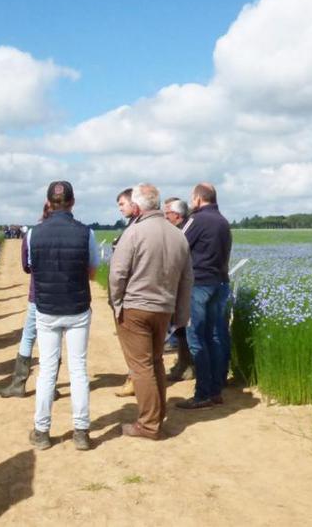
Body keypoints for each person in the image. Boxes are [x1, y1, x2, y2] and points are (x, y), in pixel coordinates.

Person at [109, 184, 193, 439]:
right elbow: (187, 279)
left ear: (136, 207)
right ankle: (157, 415)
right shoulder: (178, 234)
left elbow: (118, 273)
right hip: (164, 308)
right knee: (156, 361)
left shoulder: (134, 232)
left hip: (135, 307)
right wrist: (180, 314)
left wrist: (116, 303)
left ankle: (148, 424)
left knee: (141, 366)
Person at [27, 181, 99, 451]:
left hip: (46, 309)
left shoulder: (34, 233)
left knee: (47, 370)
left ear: (49, 201)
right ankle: (81, 432)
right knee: (78, 369)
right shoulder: (86, 233)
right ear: (72, 201)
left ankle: (42, 431)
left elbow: (33, 269)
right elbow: (92, 271)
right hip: (78, 307)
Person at [177, 183, 232, 409]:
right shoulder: (223, 221)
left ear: (199, 199)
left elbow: (178, 244)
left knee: (197, 339)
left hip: (199, 284)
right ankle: (216, 389)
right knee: (214, 337)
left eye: (192, 198)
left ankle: (202, 394)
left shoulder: (197, 219)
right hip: (221, 283)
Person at [0, 204, 55, 398]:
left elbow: (26, 266)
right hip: (63, 297)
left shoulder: (32, 234)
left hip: (37, 294)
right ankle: (50, 387)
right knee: (54, 340)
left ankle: (18, 383)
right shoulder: (77, 232)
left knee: (29, 336)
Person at [111, 188, 140, 398]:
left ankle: (134, 380)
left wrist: (116, 298)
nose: (120, 208)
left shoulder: (136, 227)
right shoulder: (134, 225)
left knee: (133, 344)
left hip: (133, 293)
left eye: (122, 204)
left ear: (133, 203)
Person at [163, 197, 194, 382]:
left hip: (184, 285)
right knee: (180, 329)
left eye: (167, 213)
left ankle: (187, 366)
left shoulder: (183, 231)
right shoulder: (180, 229)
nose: (165, 217)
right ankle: (183, 363)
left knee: (183, 328)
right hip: (180, 284)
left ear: (176, 215)